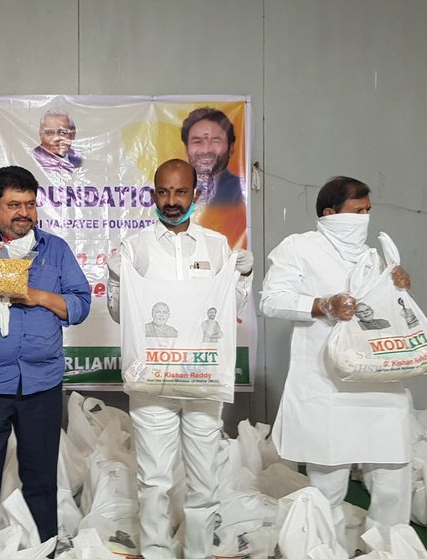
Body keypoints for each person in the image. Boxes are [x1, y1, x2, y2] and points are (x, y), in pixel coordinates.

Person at [106, 158, 254, 559]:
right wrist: (117, 280)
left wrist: (242, 276)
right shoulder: (135, 247)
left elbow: (228, 309)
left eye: (180, 192)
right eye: (163, 192)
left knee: (204, 479)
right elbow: (121, 314)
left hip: (203, 380)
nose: (171, 201)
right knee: (154, 479)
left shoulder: (216, 246)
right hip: (152, 381)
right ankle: (156, 552)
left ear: (196, 194)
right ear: (153, 194)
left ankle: (198, 552)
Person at [259, 176, 413, 550]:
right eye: (356, 212)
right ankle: (323, 551)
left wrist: (400, 289)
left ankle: (389, 551)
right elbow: (270, 299)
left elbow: (384, 314)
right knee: (328, 487)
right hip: (326, 385)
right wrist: (320, 304)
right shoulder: (299, 248)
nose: (364, 219)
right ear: (329, 214)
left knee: (394, 476)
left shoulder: (375, 257)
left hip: (378, 384)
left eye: (368, 212)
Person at [0, 165, 90, 555]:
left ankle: (45, 550)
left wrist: (37, 295)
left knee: (41, 479)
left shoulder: (54, 249)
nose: (23, 212)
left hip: (41, 382)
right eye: (13, 204)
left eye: (29, 204)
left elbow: (80, 305)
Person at [181, 107, 244, 205]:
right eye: (197, 142)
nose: (206, 150)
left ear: (231, 148)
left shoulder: (242, 190)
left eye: (215, 141)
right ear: (186, 149)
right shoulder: (174, 189)